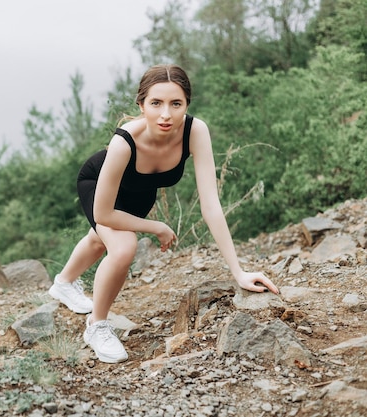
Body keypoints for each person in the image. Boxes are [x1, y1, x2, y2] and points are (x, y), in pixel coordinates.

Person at [48, 64, 279, 364]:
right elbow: (104, 213)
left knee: (99, 239)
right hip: (99, 186)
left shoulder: (195, 131)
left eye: (176, 104)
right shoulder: (124, 143)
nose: (166, 114)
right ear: (141, 104)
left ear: (187, 104)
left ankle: (63, 283)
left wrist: (238, 271)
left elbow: (211, 205)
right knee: (122, 245)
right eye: (156, 103)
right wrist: (155, 226)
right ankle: (97, 325)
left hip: (141, 191)